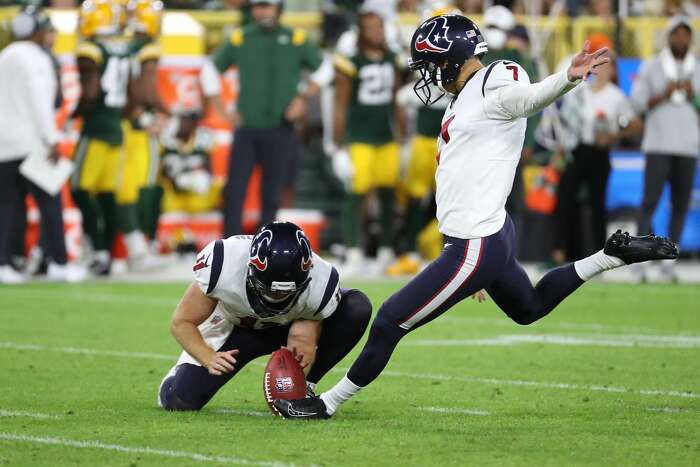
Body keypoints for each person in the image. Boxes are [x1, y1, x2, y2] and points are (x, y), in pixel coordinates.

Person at [272, 14, 678, 419]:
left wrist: (565, 78)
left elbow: (527, 99)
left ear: (452, 58)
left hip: (475, 242)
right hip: (487, 235)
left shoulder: (496, 77)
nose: (428, 75)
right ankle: (610, 255)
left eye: (431, 64)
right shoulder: (465, 96)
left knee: (390, 320)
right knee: (529, 307)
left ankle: (325, 403)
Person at [157, 221, 372, 411]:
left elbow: (305, 339)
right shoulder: (224, 262)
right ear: (251, 268)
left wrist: (296, 380)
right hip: (235, 326)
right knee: (179, 399)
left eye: (286, 291)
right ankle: (175, 378)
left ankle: (307, 389)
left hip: (287, 325)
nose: (277, 297)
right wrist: (207, 356)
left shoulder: (321, 281)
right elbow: (182, 322)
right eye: (270, 290)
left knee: (356, 307)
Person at [203, 0, 331, 237]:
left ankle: (265, 248)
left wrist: (303, 98)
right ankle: (229, 245)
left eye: (267, 6)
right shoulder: (241, 38)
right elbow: (210, 69)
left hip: (280, 128)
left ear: (278, 8)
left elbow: (326, 69)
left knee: (271, 194)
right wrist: (221, 109)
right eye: (258, 6)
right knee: (235, 191)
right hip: (247, 128)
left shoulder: (296, 39)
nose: (263, 11)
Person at [0, 6, 84, 284]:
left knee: (8, 206)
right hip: (32, 142)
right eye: (47, 31)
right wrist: (50, 138)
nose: (50, 37)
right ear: (35, 31)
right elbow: (38, 101)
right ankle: (58, 263)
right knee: (50, 204)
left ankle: (5, 263)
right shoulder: (35, 58)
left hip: (4, 144)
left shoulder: (5, 56)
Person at [331, 9, 405, 276]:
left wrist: (403, 138)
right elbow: (339, 105)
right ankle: (353, 251)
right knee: (356, 194)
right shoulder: (350, 61)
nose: (376, 32)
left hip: (385, 135)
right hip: (359, 136)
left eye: (379, 27)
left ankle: (386, 250)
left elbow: (398, 101)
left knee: (387, 193)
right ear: (361, 31)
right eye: (371, 27)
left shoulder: (392, 58)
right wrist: (337, 145)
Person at [553, 50, 642, 263]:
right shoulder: (580, 90)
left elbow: (635, 124)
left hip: (598, 153)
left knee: (597, 203)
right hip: (576, 149)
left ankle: (598, 256)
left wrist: (613, 136)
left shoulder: (616, 95)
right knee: (565, 199)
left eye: (606, 67)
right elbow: (567, 125)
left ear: (612, 71)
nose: (601, 71)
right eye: (598, 66)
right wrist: (560, 150)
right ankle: (559, 252)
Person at [630, 16, 700, 282]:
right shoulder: (652, 66)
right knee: (649, 203)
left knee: (680, 206)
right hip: (658, 144)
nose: (681, 39)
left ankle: (669, 263)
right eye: (676, 34)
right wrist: (662, 94)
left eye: (685, 35)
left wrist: (694, 95)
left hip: (688, 147)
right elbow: (636, 103)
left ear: (690, 39)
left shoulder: (697, 68)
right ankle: (639, 260)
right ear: (669, 37)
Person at [71, 0, 130, 276]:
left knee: (80, 190)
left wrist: (73, 115)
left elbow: (91, 91)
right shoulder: (119, 49)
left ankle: (96, 248)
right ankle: (106, 254)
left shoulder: (91, 49)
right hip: (116, 129)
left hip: (95, 129)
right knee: (107, 196)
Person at [119, 0, 168, 261]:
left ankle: (128, 246)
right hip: (137, 127)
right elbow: (146, 89)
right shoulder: (147, 48)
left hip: (120, 123)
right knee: (146, 187)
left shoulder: (121, 45)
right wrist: (163, 112)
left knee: (122, 187)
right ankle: (143, 247)